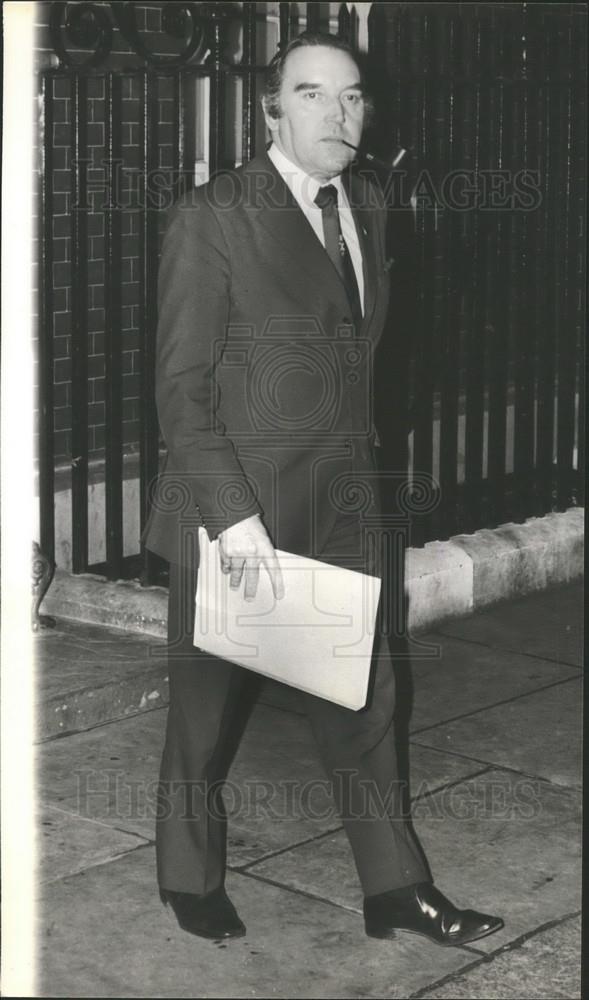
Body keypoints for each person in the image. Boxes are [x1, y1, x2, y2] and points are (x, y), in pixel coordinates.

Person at [143, 31, 504, 947]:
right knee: (206, 710)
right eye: (311, 95)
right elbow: (181, 391)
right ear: (273, 109)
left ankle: (395, 888)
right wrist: (232, 519)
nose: (336, 115)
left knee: (366, 696)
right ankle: (187, 878)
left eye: (350, 98)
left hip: (344, 498)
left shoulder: (370, 202)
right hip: (237, 510)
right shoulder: (212, 216)